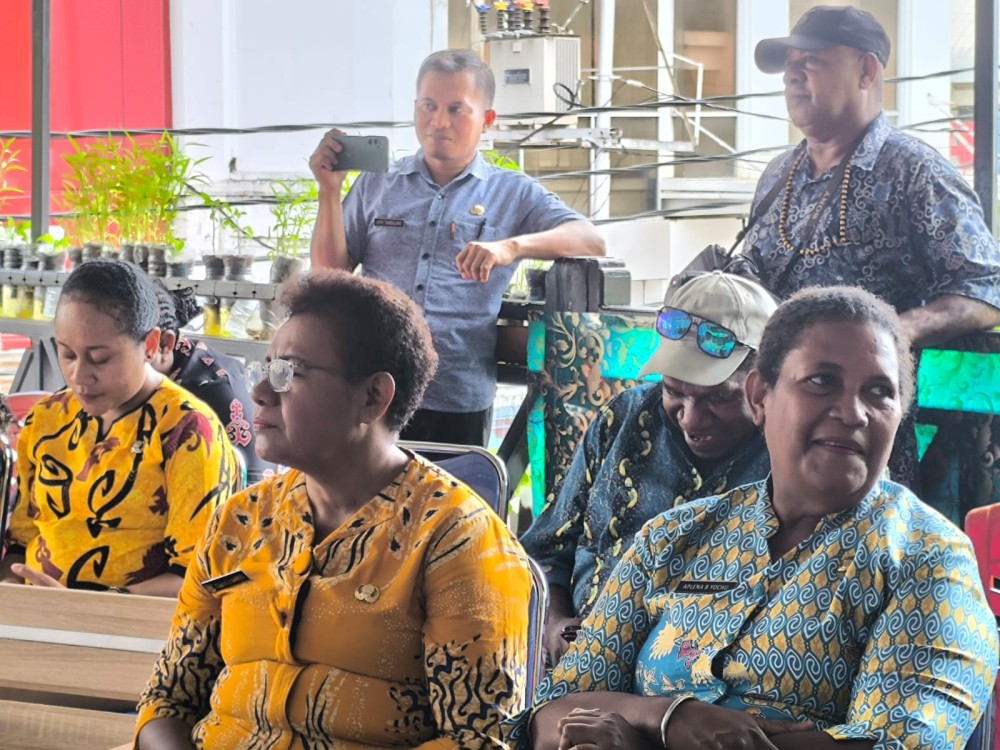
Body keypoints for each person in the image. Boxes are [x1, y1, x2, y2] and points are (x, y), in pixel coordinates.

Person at [511, 286, 999, 750]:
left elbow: (896, 743)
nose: (853, 413)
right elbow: (550, 713)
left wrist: (640, 737)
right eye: (822, 381)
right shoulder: (673, 537)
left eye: (879, 392)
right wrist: (667, 717)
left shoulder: (927, 559)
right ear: (760, 396)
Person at [135, 270, 532, 749]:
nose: (260, 392)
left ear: (373, 397)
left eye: (291, 372)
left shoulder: (456, 540)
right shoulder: (239, 522)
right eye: (267, 368)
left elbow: (479, 740)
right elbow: (167, 700)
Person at [741, 5, 1000, 489]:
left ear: (866, 70)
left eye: (811, 61)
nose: (792, 76)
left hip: (858, 429)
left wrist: (892, 333)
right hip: (770, 426)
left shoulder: (915, 171)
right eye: (789, 65)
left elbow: (986, 290)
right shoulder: (778, 175)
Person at [309, 48, 605, 447]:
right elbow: (329, 275)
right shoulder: (378, 184)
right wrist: (329, 191)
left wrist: (511, 247)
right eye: (428, 106)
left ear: (487, 120)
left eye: (456, 109)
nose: (438, 121)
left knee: (454, 490)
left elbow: (591, 239)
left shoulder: (511, 192)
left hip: (457, 398)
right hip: (370, 390)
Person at [520, 272, 774, 665]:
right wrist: (555, 627)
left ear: (763, 386)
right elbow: (542, 551)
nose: (690, 419)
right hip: (580, 663)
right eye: (674, 391)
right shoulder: (625, 417)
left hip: (705, 682)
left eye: (718, 398)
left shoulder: (787, 457)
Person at [0, 260, 239, 597]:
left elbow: (197, 575)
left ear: (151, 345)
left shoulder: (187, 430)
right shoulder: (47, 418)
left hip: (132, 620)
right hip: (37, 611)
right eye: (67, 355)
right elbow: (21, 540)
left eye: (100, 358)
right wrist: (13, 585)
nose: (79, 376)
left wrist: (92, 604)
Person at [150, 281, 276, 484]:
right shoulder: (167, 365)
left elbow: (254, 494)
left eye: (103, 357)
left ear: (163, 343)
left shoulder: (210, 394)